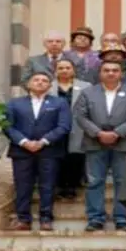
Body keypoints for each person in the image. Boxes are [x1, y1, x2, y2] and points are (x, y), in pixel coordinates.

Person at [74, 60, 126, 231]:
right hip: (94, 142)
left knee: (123, 182)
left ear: (122, 73)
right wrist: (99, 133)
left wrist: (117, 133)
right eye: (106, 70)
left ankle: (122, 218)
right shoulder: (88, 92)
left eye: (115, 70)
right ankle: (95, 218)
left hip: (124, 143)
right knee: (94, 182)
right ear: (100, 73)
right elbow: (80, 116)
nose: (111, 73)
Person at [4, 72, 72, 231]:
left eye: (44, 80)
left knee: (48, 185)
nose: (40, 82)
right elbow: (7, 126)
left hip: (49, 151)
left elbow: (64, 126)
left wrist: (43, 141)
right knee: (22, 185)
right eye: (36, 80)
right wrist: (24, 142)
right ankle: (23, 219)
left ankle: (46, 218)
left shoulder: (60, 103)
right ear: (28, 84)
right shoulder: (14, 103)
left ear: (50, 86)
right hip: (21, 151)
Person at [51, 59, 92, 200]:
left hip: (78, 126)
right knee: (57, 155)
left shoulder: (86, 86)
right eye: (61, 68)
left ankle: (72, 186)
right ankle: (59, 185)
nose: (64, 70)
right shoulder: (48, 86)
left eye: (68, 68)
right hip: (54, 126)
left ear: (73, 70)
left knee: (75, 156)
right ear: (55, 70)